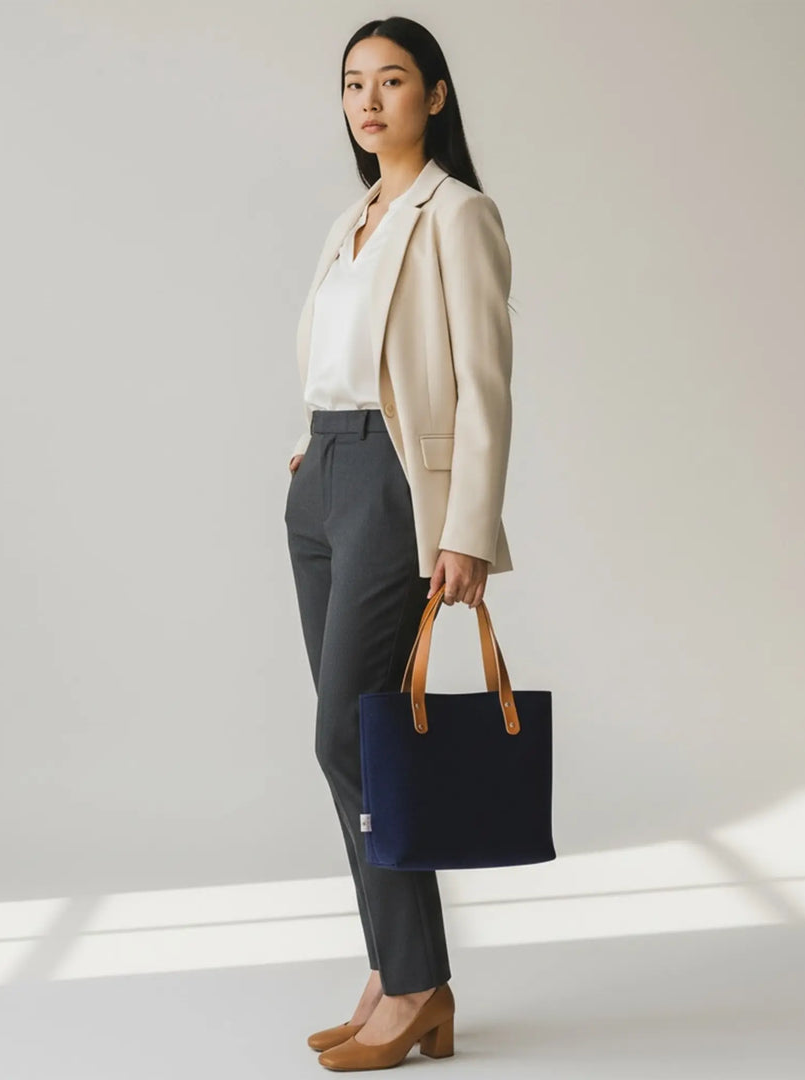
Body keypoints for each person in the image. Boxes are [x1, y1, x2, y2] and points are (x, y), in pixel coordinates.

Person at [283, 16, 514, 1072]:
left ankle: (417, 981)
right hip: (324, 483)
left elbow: (482, 390)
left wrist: (466, 529)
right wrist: (308, 452)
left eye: (391, 81)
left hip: (391, 491)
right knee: (361, 741)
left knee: (350, 736)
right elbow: (345, 357)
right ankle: (394, 969)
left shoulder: (455, 216)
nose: (369, 101)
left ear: (437, 94)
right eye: (353, 84)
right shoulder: (354, 220)